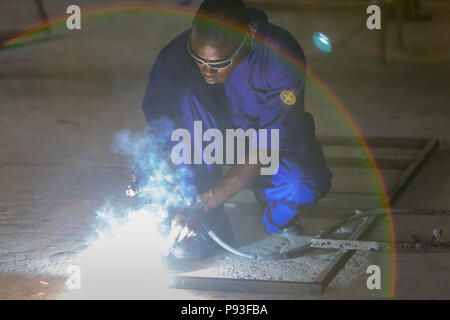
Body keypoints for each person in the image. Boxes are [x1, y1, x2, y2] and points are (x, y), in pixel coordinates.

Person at [140, 0, 332, 260]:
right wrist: (145, 167)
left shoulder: (280, 57)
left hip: (266, 141)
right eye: (199, 60)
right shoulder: (174, 57)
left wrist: (202, 204)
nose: (207, 70)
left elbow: (268, 148)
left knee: (300, 185)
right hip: (210, 141)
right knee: (183, 102)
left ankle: (269, 200)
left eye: (220, 63)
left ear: (248, 38)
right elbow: (162, 125)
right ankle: (210, 230)